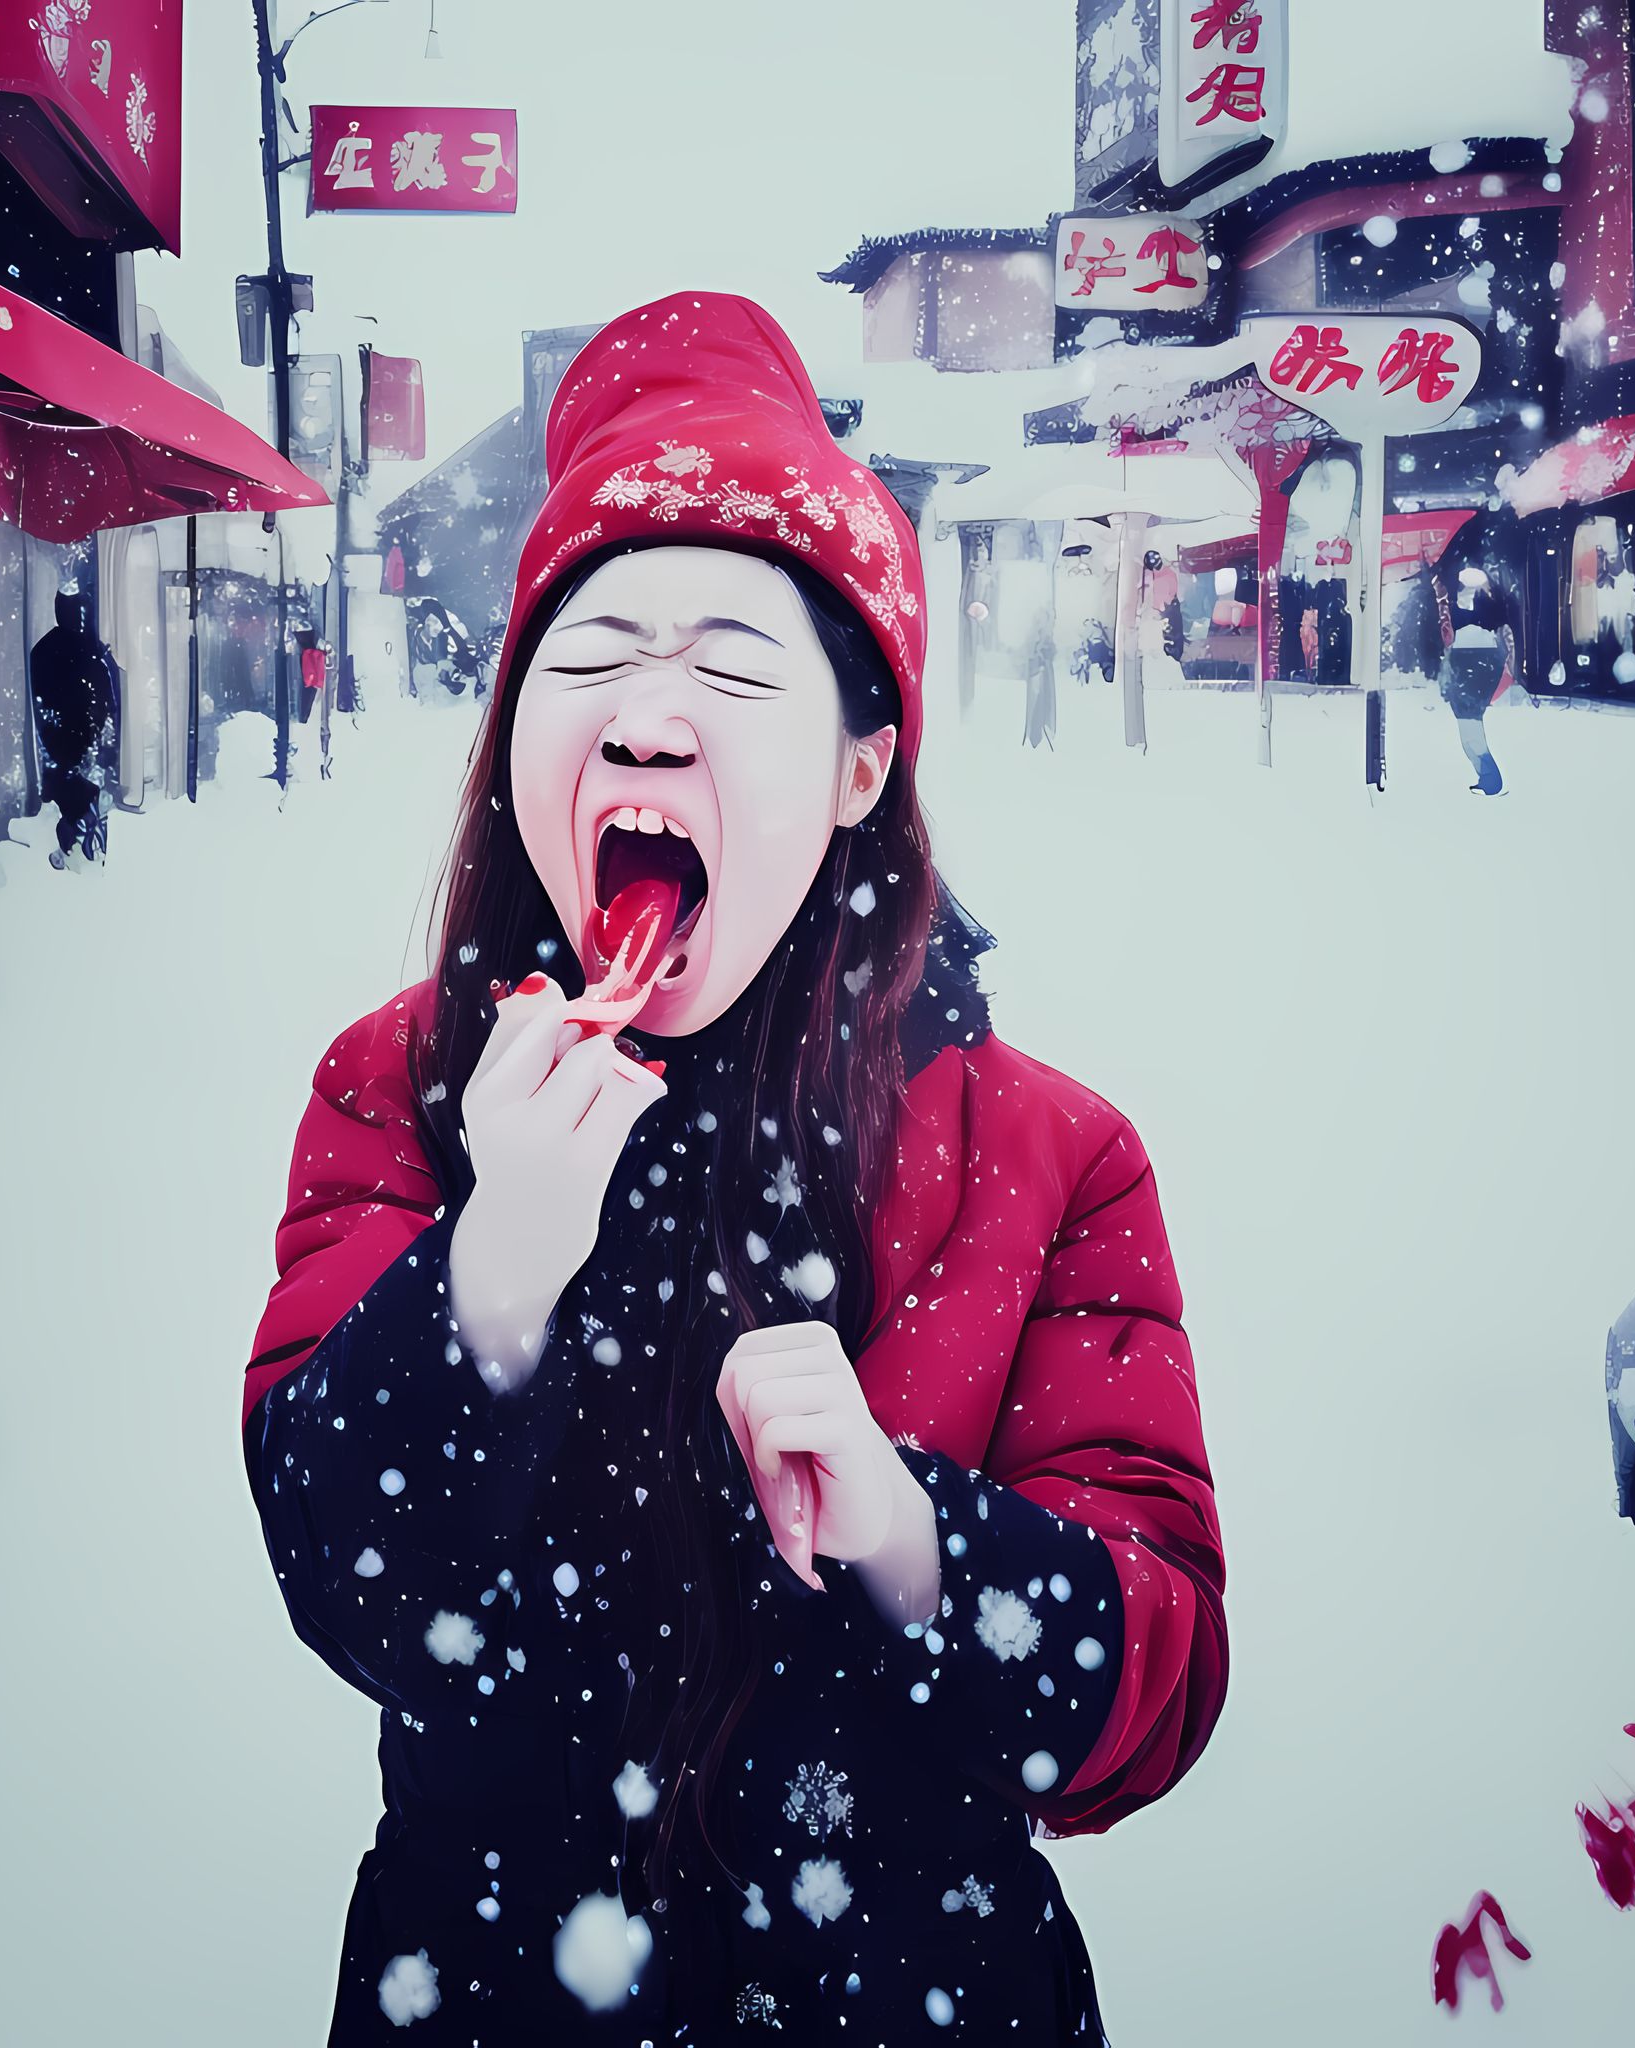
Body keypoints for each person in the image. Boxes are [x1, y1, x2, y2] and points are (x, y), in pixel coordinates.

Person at [241, 293, 1227, 2046]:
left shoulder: (1051, 1154)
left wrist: (917, 1540)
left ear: (860, 768)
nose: (643, 718)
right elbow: (341, 1579)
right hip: (485, 1993)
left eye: (728, 668)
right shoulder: (399, 1089)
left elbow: (1154, 1692)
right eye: (592, 657)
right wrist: (490, 1282)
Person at [29, 590, 118, 868]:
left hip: (54, 749)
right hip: (79, 748)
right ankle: (83, 849)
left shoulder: (41, 650)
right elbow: (108, 701)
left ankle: (73, 849)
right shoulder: (90, 652)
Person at [1428, 559, 1517, 796]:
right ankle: (1489, 781)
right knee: (1471, 740)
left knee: (1471, 740)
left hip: (1472, 653)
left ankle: (1489, 781)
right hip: (1473, 653)